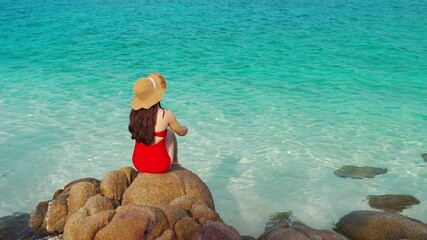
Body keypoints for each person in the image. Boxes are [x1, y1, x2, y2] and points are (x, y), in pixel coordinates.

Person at [128, 73, 188, 173]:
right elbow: (181, 132)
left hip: (138, 163)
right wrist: (186, 128)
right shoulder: (166, 114)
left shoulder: (134, 114)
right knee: (169, 133)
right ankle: (175, 162)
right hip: (160, 166)